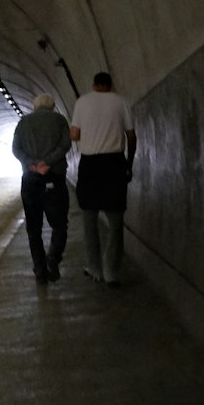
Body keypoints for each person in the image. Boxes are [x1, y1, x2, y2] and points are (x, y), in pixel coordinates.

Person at [69, 72, 136, 287]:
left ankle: (94, 268)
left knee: (90, 219)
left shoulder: (82, 102)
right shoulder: (121, 101)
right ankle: (111, 273)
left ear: (93, 84)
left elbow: (74, 135)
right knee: (115, 222)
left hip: (90, 165)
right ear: (111, 85)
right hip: (115, 164)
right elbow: (132, 136)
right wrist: (129, 163)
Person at [12, 93, 72, 284]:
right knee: (60, 224)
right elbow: (65, 145)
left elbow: (16, 149)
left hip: (30, 179)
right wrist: (47, 162)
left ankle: (39, 270)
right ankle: (53, 257)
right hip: (54, 177)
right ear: (53, 106)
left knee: (34, 229)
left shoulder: (23, 123)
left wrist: (32, 164)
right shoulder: (60, 120)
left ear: (35, 107)